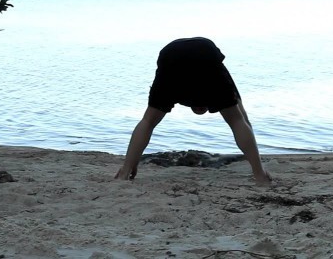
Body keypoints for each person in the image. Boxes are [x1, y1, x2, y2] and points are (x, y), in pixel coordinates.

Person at [114, 37, 272, 185]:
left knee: (148, 120)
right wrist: (257, 168)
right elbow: (242, 119)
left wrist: (132, 163)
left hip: (171, 56)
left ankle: (124, 172)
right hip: (203, 54)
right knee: (236, 120)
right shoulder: (219, 77)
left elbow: (147, 122)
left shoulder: (176, 89)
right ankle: (260, 176)